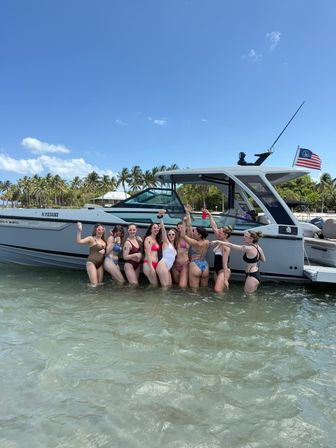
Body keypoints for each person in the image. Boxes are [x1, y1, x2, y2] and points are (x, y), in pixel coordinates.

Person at [205, 209, 232, 292]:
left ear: (225, 235)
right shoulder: (220, 240)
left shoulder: (226, 247)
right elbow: (214, 227)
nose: (218, 233)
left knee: (217, 290)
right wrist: (210, 216)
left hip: (223, 271)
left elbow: (224, 264)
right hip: (217, 270)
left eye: (220, 232)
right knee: (218, 292)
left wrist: (225, 279)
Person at [180, 217, 210, 288]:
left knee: (194, 290)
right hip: (205, 265)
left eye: (194, 231)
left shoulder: (195, 243)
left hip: (195, 265)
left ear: (199, 235)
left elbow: (183, 235)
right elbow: (190, 226)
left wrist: (184, 222)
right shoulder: (207, 242)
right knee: (204, 289)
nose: (193, 232)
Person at [156, 210, 177, 286]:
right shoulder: (166, 242)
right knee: (165, 288)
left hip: (167, 268)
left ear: (175, 236)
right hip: (163, 265)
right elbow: (163, 230)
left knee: (169, 287)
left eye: (173, 234)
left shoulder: (174, 246)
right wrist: (161, 218)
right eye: (169, 234)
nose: (171, 236)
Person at [172, 223, 190, 288]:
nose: (180, 230)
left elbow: (189, 225)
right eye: (178, 228)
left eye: (182, 228)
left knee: (182, 286)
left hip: (184, 264)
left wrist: (187, 216)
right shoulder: (174, 238)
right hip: (175, 264)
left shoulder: (188, 238)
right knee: (176, 285)